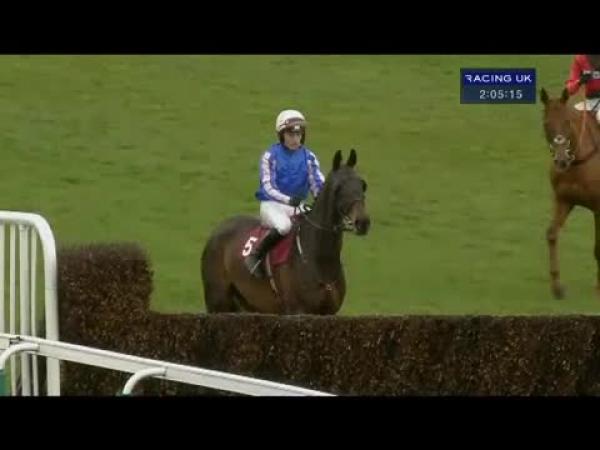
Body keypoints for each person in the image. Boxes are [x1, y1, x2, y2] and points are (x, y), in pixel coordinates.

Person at [244, 109, 326, 277]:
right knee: (284, 226)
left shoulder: (309, 157)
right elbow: (268, 187)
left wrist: (325, 201)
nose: (295, 139)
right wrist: (288, 200)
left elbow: (318, 184)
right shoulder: (270, 156)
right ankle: (256, 256)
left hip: (296, 206)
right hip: (272, 205)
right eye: (291, 134)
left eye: (299, 134)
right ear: (282, 135)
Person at [565, 54, 600, 122]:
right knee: (572, 116)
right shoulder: (580, 59)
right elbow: (569, 90)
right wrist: (579, 81)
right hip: (589, 101)